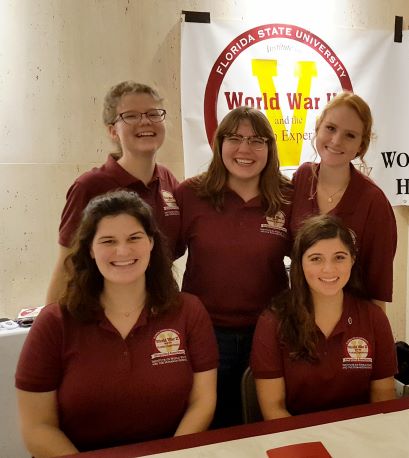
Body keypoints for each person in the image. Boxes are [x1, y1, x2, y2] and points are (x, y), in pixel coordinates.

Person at [16, 190, 217, 456]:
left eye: (134, 238)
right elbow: (38, 428)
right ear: (90, 249)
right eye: (108, 241)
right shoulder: (54, 323)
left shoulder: (189, 311)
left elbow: (202, 402)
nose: (122, 251)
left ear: (151, 243)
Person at [175, 107, 292, 428]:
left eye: (256, 140)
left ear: (270, 147)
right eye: (235, 138)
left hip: (270, 332)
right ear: (219, 143)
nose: (245, 149)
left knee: (261, 420)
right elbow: (156, 260)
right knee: (212, 422)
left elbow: (312, 261)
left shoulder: (287, 197)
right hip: (206, 333)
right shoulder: (190, 194)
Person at [46, 81, 181, 305]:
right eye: (131, 116)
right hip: (102, 317)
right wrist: (50, 327)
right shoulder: (90, 186)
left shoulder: (169, 181)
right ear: (112, 131)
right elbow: (67, 264)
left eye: (154, 113)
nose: (145, 121)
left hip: (159, 312)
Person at [251, 214, 397, 419]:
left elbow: (383, 399)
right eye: (316, 258)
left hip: (359, 437)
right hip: (297, 438)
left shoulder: (374, 318)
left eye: (339, 257)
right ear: (299, 263)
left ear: (352, 260)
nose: (329, 269)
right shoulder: (272, 322)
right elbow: (273, 410)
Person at [290, 92, 397, 310]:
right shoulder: (301, 178)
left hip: (350, 324)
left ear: (361, 145)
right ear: (318, 128)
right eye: (330, 128)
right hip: (300, 315)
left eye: (350, 135)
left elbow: (378, 285)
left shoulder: (373, 202)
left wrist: (376, 339)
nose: (336, 140)